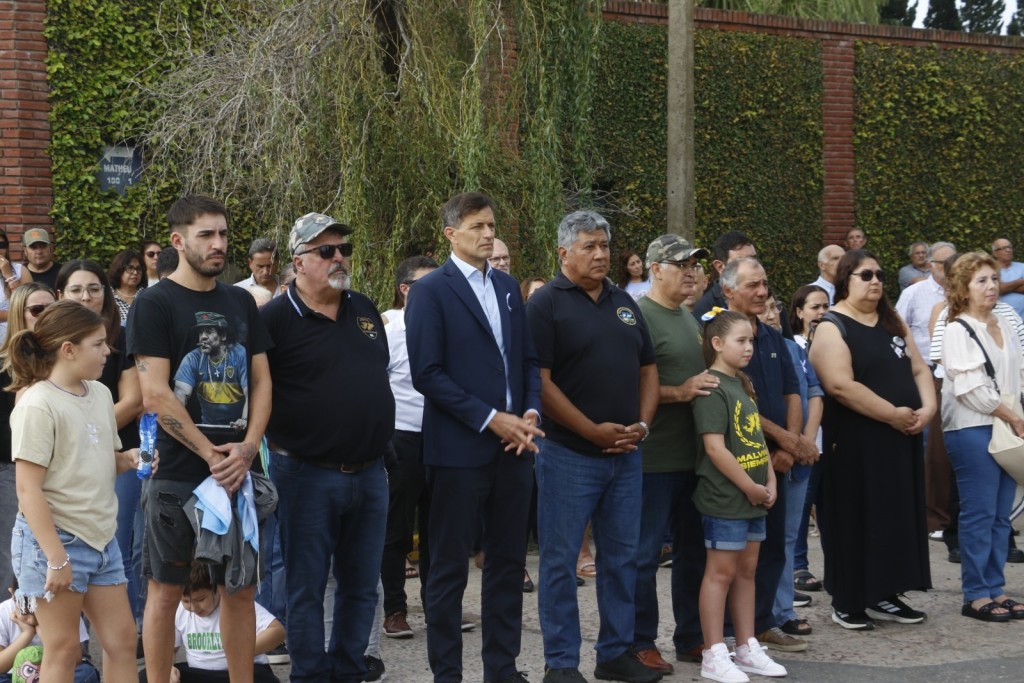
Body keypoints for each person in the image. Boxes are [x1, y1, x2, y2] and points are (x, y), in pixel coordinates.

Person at [127, 195, 272, 683]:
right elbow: (155, 394)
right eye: (206, 234)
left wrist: (248, 448)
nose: (218, 244)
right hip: (177, 473)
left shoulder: (240, 301)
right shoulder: (154, 303)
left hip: (237, 471)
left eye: (223, 234)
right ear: (178, 240)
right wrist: (212, 454)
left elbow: (262, 383)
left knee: (240, 590)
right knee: (166, 589)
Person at [406, 192, 542, 683]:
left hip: (514, 448)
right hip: (460, 450)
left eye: (491, 225)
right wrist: (490, 418)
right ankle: (448, 674)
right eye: (477, 226)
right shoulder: (430, 291)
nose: (488, 234)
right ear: (451, 234)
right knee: (447, 571)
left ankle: (501, 669)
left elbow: (526, 360)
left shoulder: (507, 287)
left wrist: (527, 412)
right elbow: (428, 373)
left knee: (507, 564)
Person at [526, 210, 659, 683]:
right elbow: (539, 382)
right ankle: (561, 664)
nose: (601, 254)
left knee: (622, 557)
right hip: (568, 455)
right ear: (564, 253)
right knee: (561, 562)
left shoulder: (625, 301)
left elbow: (648, 368)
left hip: (626, 453)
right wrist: (589, 430)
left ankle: (615, 654)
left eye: (604, 245)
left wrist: (642, 425)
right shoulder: (546, 305)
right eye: (589, 246)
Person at [261, 211, 393, 683]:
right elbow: (257, 393)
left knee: (361, 587)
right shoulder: (274, 319)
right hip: (306, 474)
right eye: (326, 251)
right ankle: (311, 674)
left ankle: (349, 669)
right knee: (306, 587)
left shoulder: (363, 307)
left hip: (371, 472)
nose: (339, 258)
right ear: (299, 262)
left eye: (343, 249)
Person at [7, 300, 141, 683]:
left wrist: (128, 458)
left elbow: (97, 458)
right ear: (68, 349)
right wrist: (56, 558)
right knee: (64, 649)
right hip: (54, 542)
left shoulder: (99, 393)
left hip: (101, 539)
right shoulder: (37, 403)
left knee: (122, 640)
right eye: (98, 343)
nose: (107, 351)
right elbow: (27, 488)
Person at [808, 249, 934, 631]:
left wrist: (926, 409)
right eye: (866, 275)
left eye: (879, 274)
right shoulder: (832, 325)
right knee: (856, 517)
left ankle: (886, 591)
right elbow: (840, 386)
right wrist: (892, 414)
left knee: (894, 516)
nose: (876, 280)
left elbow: (918, 367)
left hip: (901, 437)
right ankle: (848, 600)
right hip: (857, 444)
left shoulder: (891, 321)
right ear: (846, 281)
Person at [716, 258, 814, 654]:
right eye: (752, 285)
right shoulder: (719, 336)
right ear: (728, 291)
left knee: (772, 546)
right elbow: (736, 400)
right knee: (732, 550)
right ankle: (725, 631)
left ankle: (762, 623)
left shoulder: (772, 337)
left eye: (765, 284)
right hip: (738, 462)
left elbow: (793, 390)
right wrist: (787, 442)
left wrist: (787, 446)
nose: (762, 292)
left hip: (778, 463)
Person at [630, 235, 713, 676]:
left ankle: (692, 637)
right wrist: (680, 392)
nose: (690, 271)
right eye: (679, 264)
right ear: (654, 268)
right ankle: (640, 642)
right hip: (654, 458)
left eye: (693, 265)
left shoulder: (688, 316)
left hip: (695, 456)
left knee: (693, 553)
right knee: (643, 556)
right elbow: (628, 386)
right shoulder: (638, 317)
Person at [694, 309, 787, 683]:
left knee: (747, 572)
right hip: (726, 498)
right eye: (741, 341)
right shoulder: (711, 387)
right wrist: (748, 486)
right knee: (721, 573)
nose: (749, 347)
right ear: (717, 344)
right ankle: (713, 652)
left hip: (754, 498)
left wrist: (769, 480)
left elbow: (756, 438)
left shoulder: (743, 384)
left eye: (751, 340)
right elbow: (715, 448)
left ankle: (746, 645)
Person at [56, 260, 145, 631]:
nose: (86, 296)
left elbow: (134, 399)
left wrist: (92, 431)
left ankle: (128, 628)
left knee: (119, 548)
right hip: (64, 466)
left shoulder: (120, 336)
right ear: (60, 295)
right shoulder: (50, 341)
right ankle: (76, 646)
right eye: (76, 289)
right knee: (68, 552)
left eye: (93, 288)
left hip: (119, 455)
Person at [939, 252, 1024, 623]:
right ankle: (975, 594)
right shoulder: (957, 328)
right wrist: (1013, 416)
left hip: (1007, 425)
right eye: (981, 281)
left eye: (993, 279)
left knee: (1002, 517)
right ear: (963, 288)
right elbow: (970, 389)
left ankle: (996, 588)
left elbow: (1017, 377)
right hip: (972, 427)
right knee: (979, 513)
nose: (991, 286)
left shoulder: (1005, 324)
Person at [381, 256, 438, 640]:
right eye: (428, 285)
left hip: (442, 438)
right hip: (401, 438)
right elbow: (374, 384)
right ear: (406, 289)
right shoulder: (388, 327)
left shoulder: (445, 324)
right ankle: (395, 610)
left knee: (439, 529)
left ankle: (438, 606)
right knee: (396, 530)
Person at [759, 295, 822, 640]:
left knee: (785, 536)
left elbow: (813, 393)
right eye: (765, 307)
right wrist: (790, 443)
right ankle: (760, 614)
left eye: (775, 308)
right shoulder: (745, 345)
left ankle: (783, 610)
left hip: (800, 454)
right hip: (768, 454)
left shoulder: (794, 349)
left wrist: (805, 439)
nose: (771, 314)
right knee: (760, 539)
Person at [0, 284, 55, 615]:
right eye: (38, 310)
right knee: (13, 559)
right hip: (12, 471)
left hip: (58, 473)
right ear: (20, 314)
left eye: (52, 307)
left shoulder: (63, 363)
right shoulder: (4, 366)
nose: (46, 315)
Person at [896, 242, 957, 534]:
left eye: (951, 263)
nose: (946, 269)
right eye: (941, 263)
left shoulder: (964, 292)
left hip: (950, 375)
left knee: (947, 449)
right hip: (923, 374)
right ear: (930, 264)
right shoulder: (914, 293)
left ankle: (947, 513)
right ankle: (930, 515)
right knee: (928, 445)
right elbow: (896, 329)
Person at [139, 563, 285, 683]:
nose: (193, 607)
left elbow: (277, 631)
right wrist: (169, 667)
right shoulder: (180, 611)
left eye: (200, 600)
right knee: (148, 675)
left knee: (262, 678)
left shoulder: (234, 606)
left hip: (236, 672)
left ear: (217, 590)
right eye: (186, 601)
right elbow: (170, 648)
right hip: (199, 674)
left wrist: (242, 650)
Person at [787, 285, 830, 596]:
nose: (821, 313)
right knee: (801, 505)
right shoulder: (793, 346)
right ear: (799, 312)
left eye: (826, 306)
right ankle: (798, 565)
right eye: (815, 307)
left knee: (829, 505)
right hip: (805, 440)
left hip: (830, 438)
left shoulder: (836, 342)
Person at [0, 579, 98, 683]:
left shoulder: (65, 610)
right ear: (12, 594)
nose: (32, 619)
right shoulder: (3, 611)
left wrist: (44, 631)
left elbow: (76, 658)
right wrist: (27, 634)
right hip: (11, 677)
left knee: (86, 671)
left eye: (38, 611)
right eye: (25, 611)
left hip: (57, 676)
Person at [693, 231, 756, 319]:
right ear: (720, 267)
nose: (752, 266)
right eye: (742, 261)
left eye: (754, 259)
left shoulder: (765, 297)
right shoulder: (705, 310)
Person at [0, 228, 31, 346]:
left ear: (7, 248)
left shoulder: (20, 271)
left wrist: (8, 275)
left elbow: (29, 306)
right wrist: (15, 313)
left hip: (16, 344)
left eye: (1, 245)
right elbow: (21, 310)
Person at [107, 250, 145, 324]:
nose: (135, 272)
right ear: (119, 270)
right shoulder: (108, 297)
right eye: (130, 268)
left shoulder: (147, 296)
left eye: (138, 269)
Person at [992, 238, 1024, 320]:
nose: (1008, 250)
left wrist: (1005, 287)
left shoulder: (1022, 266)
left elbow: (1001, 288)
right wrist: (1020, 281)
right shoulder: (991, 269)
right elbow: (997, 289)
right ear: (995, 253)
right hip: (1001, 320)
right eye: (1003, 248)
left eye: (1010, 247)